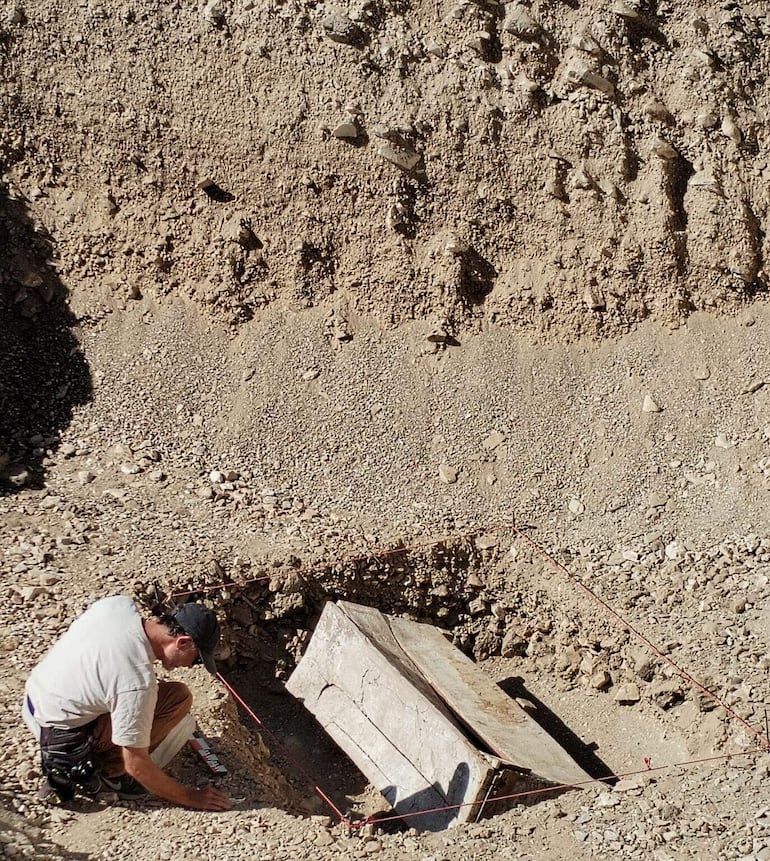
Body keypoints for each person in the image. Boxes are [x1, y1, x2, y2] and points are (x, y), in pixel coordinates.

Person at [22, 594, 231, 811]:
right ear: (183, 642)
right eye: (196, 659)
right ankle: (112, 773)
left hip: (34, 702)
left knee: (177, 695)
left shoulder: (118, 605)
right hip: (63, 738)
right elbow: (136, 765)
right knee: (171, 703)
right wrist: (190, 797)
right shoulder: (137, 683)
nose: (190, 666)